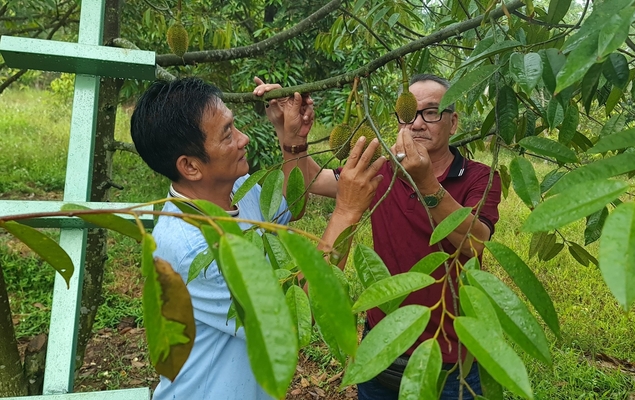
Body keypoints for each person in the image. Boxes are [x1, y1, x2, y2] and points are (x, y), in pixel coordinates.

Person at [130, 77, 386, 400]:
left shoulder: (237, 189)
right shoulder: (193, 246)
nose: (244, 138)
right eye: (227, 135)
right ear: (191, 166)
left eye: (234, 126)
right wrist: (347, 212)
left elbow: (292, 204)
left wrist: (291, 139)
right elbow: (290, 318)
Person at [264, 73, 502, 399]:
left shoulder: (480, 177)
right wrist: (292, 136)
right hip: (382, 344)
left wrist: (427, 184)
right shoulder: (383, 170)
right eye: (408, 114)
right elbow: (310, 182)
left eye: (431, 112)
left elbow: (475, 241)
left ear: (453, 121)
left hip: (449, 353)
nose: (417, 124)